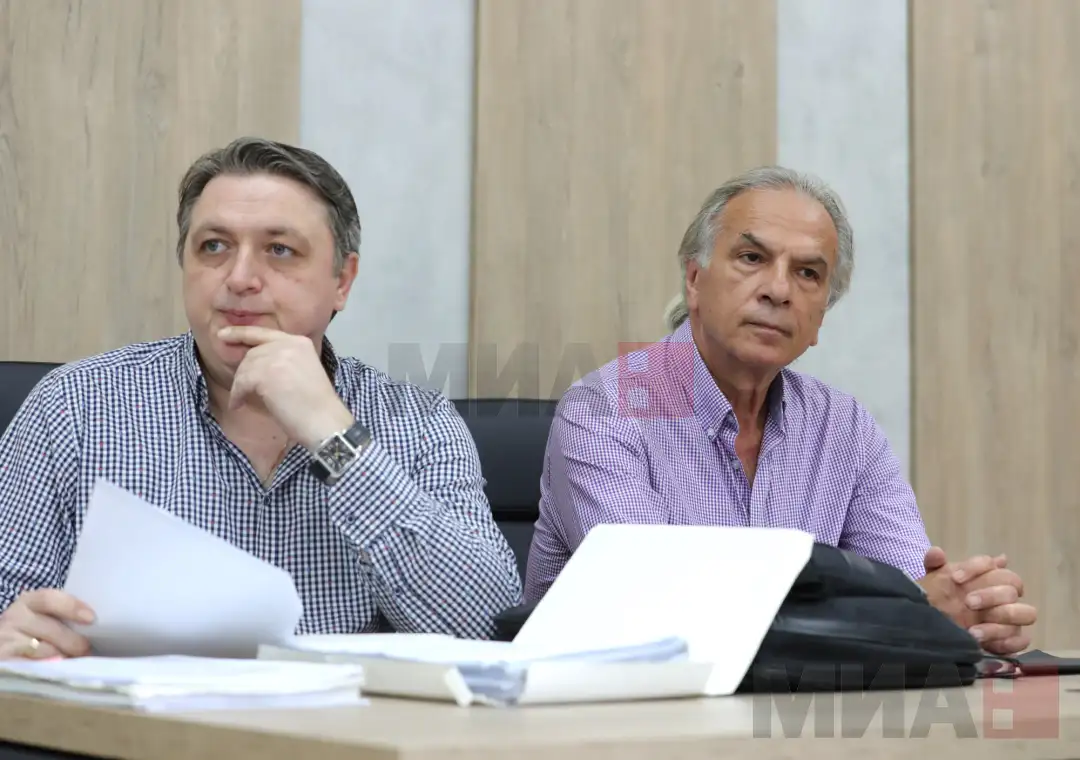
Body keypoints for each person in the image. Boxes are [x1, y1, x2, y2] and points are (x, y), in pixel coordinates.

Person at [0, 137, 522, 660]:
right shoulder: (75, 407)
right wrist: (15, 637)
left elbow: (486, 627)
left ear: (342, 281)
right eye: (214, 247)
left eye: (279, 250)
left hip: (340, 714)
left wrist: (334, 436)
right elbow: (13, 617)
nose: (240, 278)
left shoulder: (419, 422)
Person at [525, 166, 1036, 656]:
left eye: (807, 273)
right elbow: (662, 608)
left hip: (800, 711)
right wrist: (910, 614)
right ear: (695, 280)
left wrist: (971, 611)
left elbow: (909, 590)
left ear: (820, 319)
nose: (778, 290)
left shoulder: (845, 429)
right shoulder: (605, 412)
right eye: (752, 258)